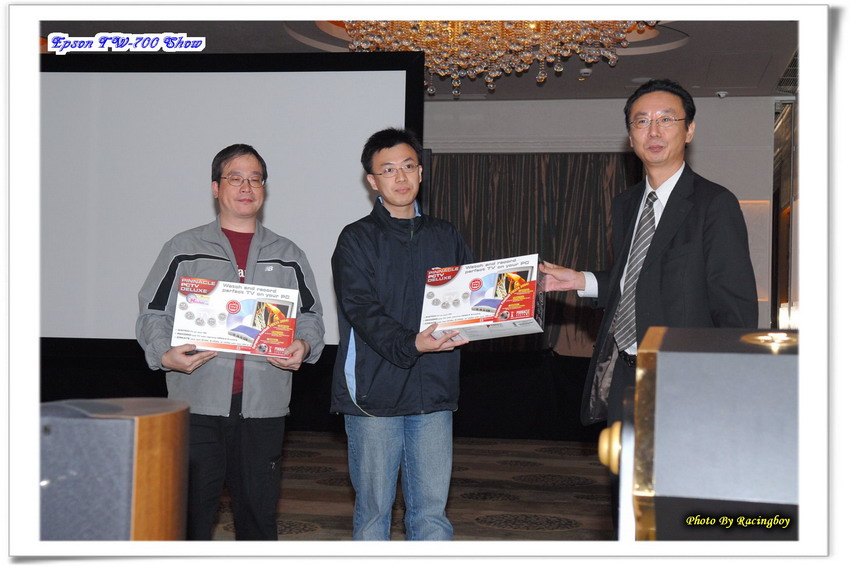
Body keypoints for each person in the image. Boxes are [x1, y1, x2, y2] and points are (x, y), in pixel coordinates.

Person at [539, 78, 758, 427]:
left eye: (666, 119)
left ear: (689, 130)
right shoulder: (626, 204)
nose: (653, 131)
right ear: (631, 137)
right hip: (625, 375)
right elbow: (638, 280)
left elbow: (736, 311)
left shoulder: (714, 204)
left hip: (687, 382)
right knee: (623, 464)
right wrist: (580, 280)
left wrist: (723, 389)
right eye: (642, 121)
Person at [136, 144, 325, 540]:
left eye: (255, 179)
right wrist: (164, 355)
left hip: (264, 409)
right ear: (215, 187)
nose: (246, 187)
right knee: (188, 521)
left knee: (258, 521)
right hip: (196, 405)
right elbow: (152, 314)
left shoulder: (288, 254)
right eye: (235, 178)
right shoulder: (182, 248)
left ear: (264, 189)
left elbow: (310, 318)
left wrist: (305, 347)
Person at [330, 127, 473, 540]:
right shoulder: (356, 238)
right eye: (388, 170)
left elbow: (469, 296)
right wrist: (412, 343)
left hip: (433, 392)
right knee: (374, 511)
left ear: (421, 173)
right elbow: (361, 309)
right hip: (374, 394)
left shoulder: (445, 235)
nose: (401, 177)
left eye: (408, 166)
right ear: (372, 181)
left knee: (431, 513)